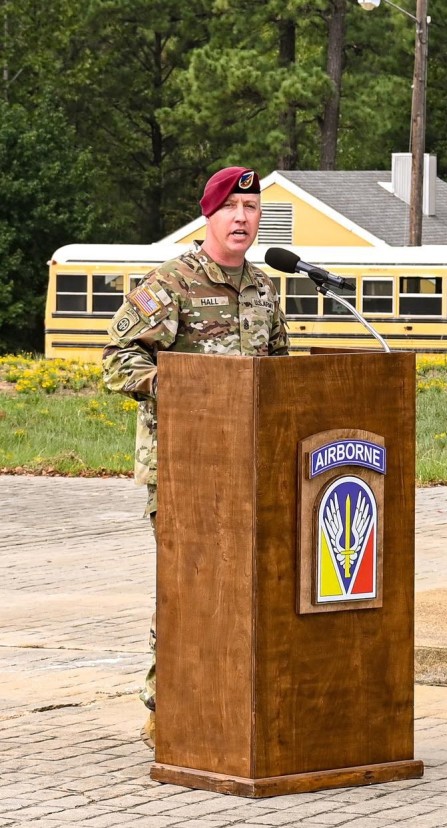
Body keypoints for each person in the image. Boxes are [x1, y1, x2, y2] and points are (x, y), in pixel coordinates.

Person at [102, 166, 289, 749]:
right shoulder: (171, 283)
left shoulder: (264, 288)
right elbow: (117, 360)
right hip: (185, 469)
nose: (242, 218)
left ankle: (235, 707)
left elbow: (280, 375)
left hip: (252, 468)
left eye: (252, 208)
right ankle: (167, 711)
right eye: (231, 207)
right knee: (187, 590)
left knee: (247, 592)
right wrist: (181, 388)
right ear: (208, 215)